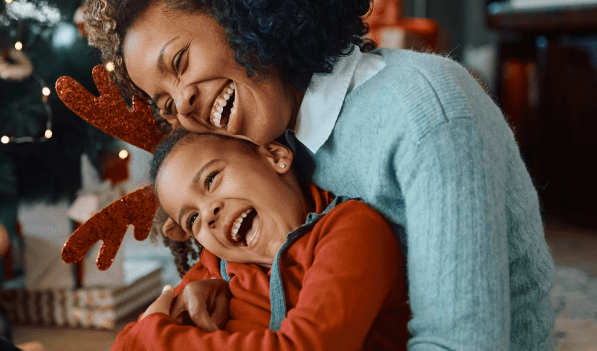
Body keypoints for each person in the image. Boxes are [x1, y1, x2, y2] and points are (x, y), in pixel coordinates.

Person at [82, 0, 556, 350]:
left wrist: (159, 338)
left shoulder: (425, 112)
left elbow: (462, 343)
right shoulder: (272, 138)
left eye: (180, 61)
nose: (183, 103)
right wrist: (208, 283)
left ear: (237, 7)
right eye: (164, 103)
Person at [115, 129, 409, 350]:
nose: (208, 213)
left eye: (211, 180)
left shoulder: (352, 230)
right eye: (192, 220)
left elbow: (307, 345)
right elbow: (125, 344)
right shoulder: (215, 270)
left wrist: (155, 334)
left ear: (275, 156)